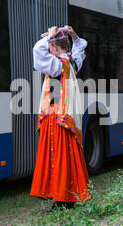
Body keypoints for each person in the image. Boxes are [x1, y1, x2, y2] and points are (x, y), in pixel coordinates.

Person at [30, 25, 91, 210]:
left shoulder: (58, 65)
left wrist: (49, 36)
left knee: (58, 158)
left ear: (55, 48)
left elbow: (38, 54)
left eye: (51, 47)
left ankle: (62, 199)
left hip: (57, 118)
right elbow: (80, 49)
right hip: (66, 119)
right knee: (68, 157)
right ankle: (67, 197)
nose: (49, 50)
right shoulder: (71, 62)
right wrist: (74, 36)